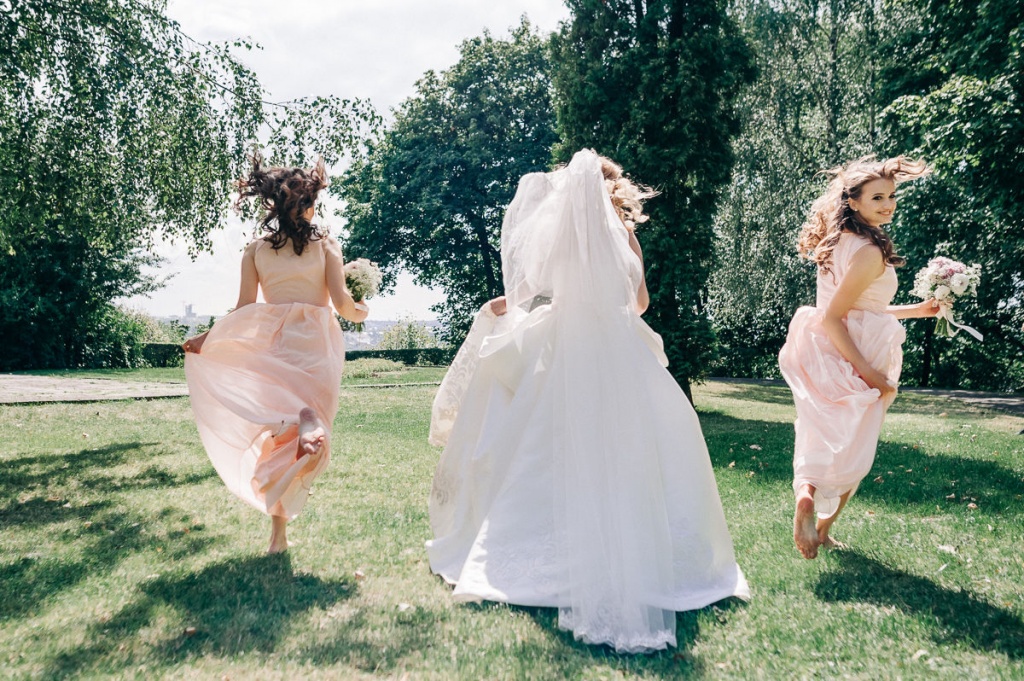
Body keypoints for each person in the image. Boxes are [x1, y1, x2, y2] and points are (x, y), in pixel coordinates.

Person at [426, 149, 750, 654]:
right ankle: (650, 548)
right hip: (619, 348)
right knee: (636, 444)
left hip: (563, 345)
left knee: (545, 442)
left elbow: (527, 290)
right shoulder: (624, 235)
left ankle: (533, 551)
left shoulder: (554, 232)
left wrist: (518, 306)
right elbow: (640, 303)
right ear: (613, 190)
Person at [182, 154, 367, 554]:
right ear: (309, 205)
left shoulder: (255, 250)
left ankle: (277, 537)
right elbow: (342, 304)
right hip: (315, 343)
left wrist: (207, 338)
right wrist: (361, 310)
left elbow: (244, 309)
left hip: (275, 345)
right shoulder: (326, 245)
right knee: (312, 425)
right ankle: (307, 422)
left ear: (273, 205)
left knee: (277, 436)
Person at [778, 156, 939, 560]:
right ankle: (822, 527)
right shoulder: (868, 251)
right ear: (853, 201)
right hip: (853, 350)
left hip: (822, 348)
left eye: (892, 196)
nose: (888, 205)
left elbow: (858, 306)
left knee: (818, 433)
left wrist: (918, 310)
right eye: (877, 198)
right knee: (857, 446)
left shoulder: (838, 240)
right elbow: (837, 316)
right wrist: (868, 373)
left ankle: (807, 496)